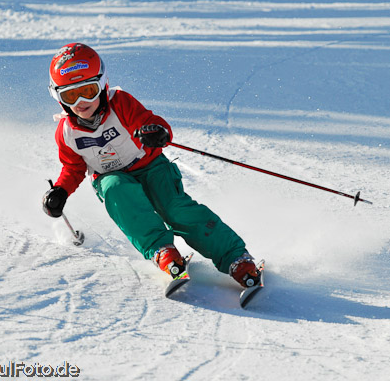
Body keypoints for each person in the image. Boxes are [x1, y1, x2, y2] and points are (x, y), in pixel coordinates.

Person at [43, 42, 259, 288]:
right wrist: (60, 190)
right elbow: (73, 168)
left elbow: (150, 122)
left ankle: (235, 258)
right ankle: (162, 251)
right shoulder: (66, 133)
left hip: (151, 166)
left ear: (102, 85)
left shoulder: (120, 103)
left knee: (176, 209)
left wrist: (155, 132)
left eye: (88, 91)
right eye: (70, 95)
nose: (81, 101)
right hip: (111, 175)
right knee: (116, 189)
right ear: (58, 97)